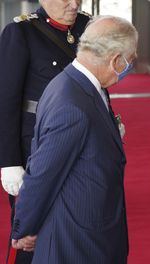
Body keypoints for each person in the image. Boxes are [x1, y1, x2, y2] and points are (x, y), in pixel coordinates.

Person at [10, 15, 138, 263]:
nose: (131, 64)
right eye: (130, 59)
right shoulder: (72, 104)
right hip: (78, 241)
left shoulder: (74, 83)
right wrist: (24, 228)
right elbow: (42, 173)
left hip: (89, 231)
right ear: (116, 60)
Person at [0, 1, 90, 263]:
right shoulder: (21, 33)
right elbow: (6, 102)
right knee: (33, 234)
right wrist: (9, 162)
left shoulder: (88, 26)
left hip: (84, 145)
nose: (74, 4)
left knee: (78, 225)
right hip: (37, 148)